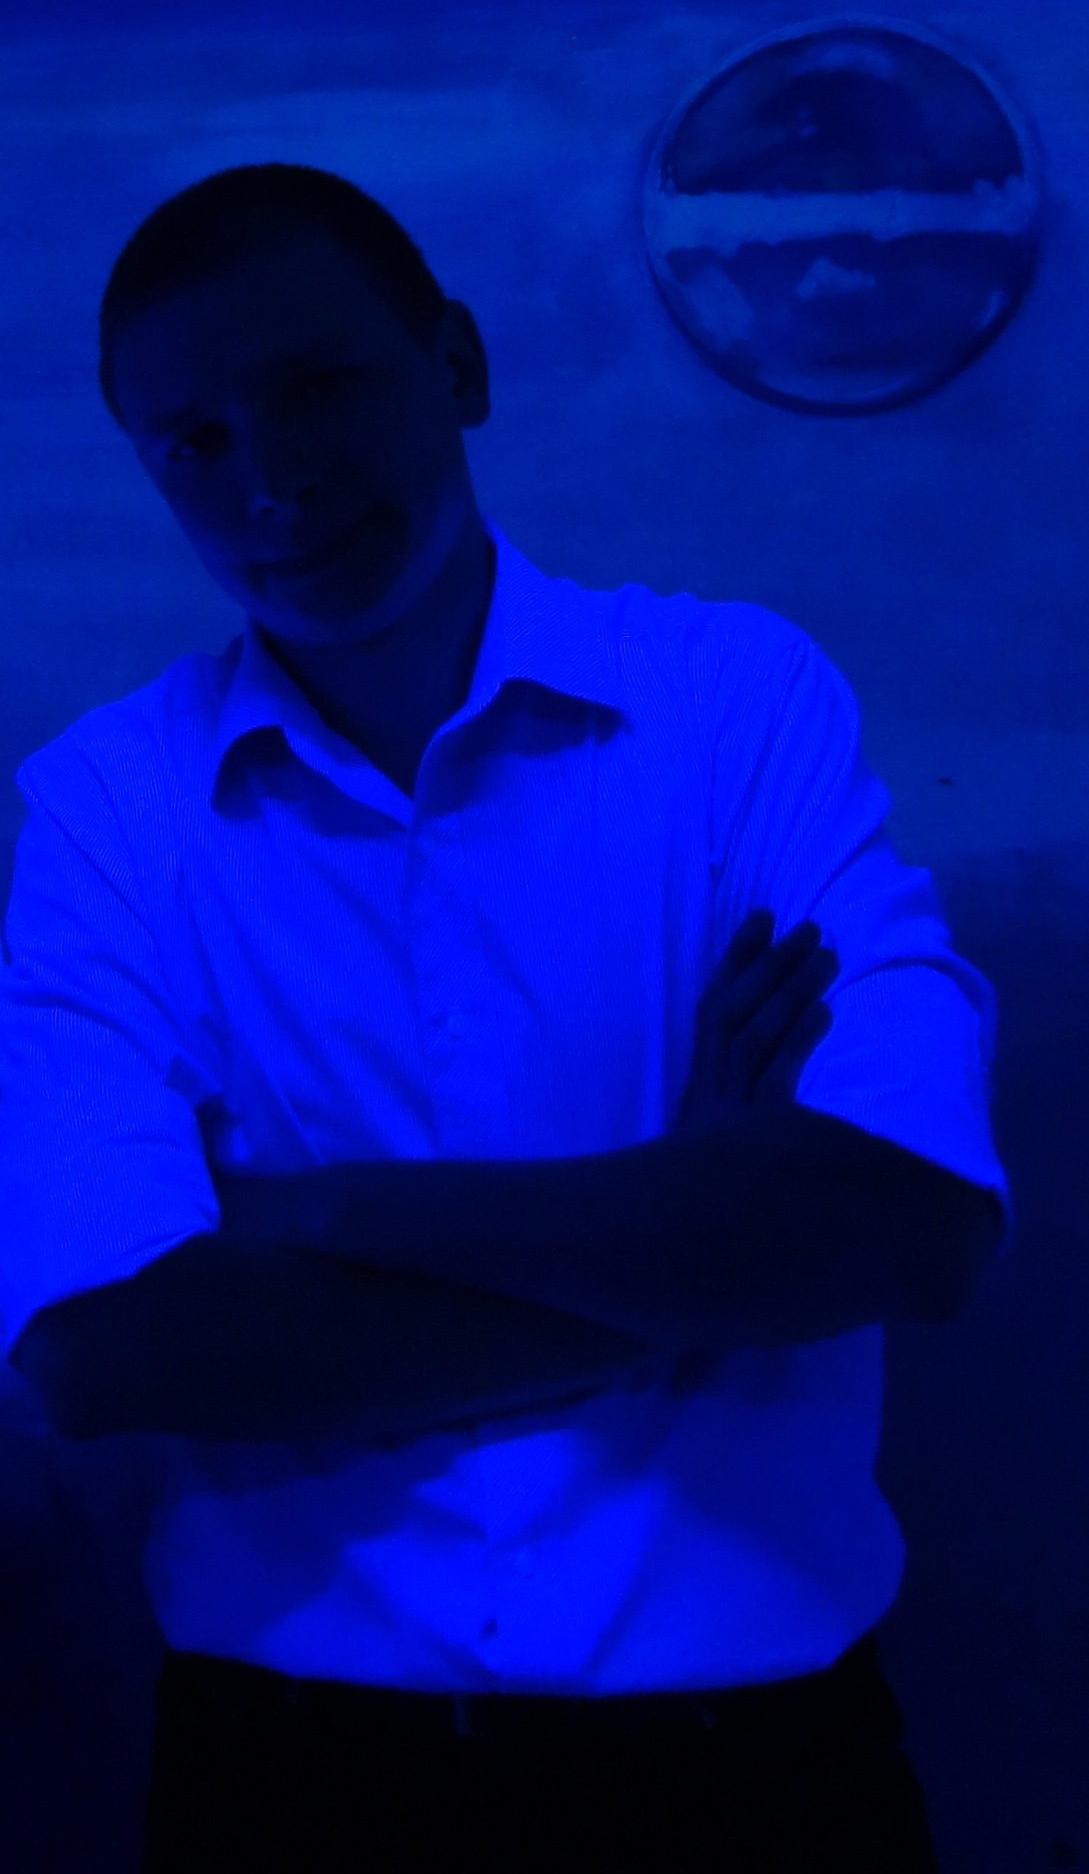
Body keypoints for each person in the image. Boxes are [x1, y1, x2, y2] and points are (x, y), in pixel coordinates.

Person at [0, 163, 1010, 1872]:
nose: (270, 481)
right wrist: (690, 1229)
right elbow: (110, 1354)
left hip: (760, 1788)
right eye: (196, 443)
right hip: (290, 1793)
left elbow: (900, 1230)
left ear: (455, 363)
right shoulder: (106, 807)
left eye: (320, 387)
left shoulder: (732, 704)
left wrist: (320, 1218)